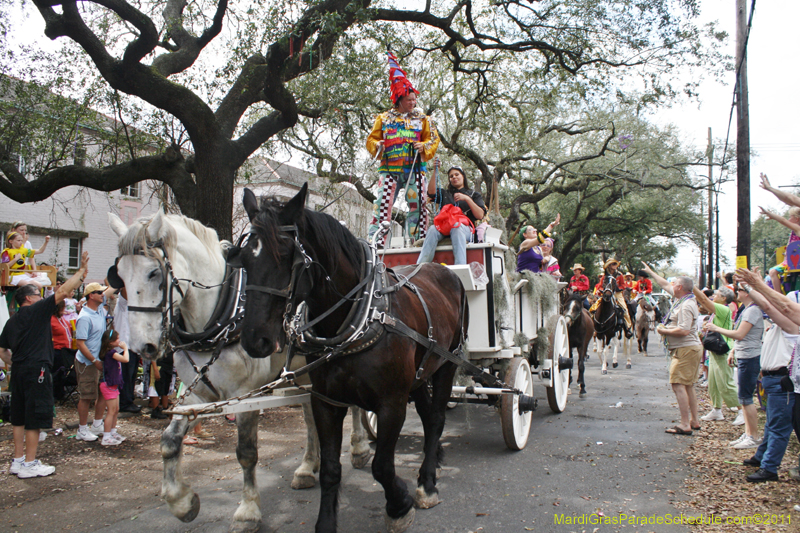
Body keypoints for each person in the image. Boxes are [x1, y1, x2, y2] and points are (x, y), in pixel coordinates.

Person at [0, 251, 88, 478]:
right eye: (38, 294)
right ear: (28, 298)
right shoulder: (36, 311)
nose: (42, 298)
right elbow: (63, 292)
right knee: (34, 418)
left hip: (18, 370)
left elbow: (2, 351)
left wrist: (15, 364)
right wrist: (80, 272)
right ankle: (29, 464)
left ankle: (18, 461)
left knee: (18, 417)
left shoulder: (12, 321)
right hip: (37, 369)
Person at [365, 51, 440, 246]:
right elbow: (371, 140)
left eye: (414, 100)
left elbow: (433, 139)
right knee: (382, 204)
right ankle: (376, 242)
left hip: (414, 170)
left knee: (419, 206)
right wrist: (378, 146)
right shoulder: (383, 118)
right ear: (399, 99)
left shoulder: (423, 119)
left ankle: (418, 241)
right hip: (389, 169)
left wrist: (423, 146)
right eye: (409, 100)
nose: (413, 103)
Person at [729, 282, 796, 482]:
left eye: (786, 306)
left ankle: (769, 468)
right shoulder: (780, 324)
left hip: (781, 381)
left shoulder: (790, 324)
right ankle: (761, 457)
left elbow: (768, 305)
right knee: (771, 424)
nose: (781, 307)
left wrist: (753, 286)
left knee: (778, 426)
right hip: (770, 378)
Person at [641, 263, 702, 435]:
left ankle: (684, 424)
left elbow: (684, 330)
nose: (671, 285)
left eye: (674, 283)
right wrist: (651, 272)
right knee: (688, 385)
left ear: (680, 287)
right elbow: (664, 284)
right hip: (685, 349)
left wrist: (663, 330)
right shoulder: (680, 299)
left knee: (677, 384)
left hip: (686, 349)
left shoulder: (686, 305)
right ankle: (694, 421)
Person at [703, 282, 764, 449]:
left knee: (744, 397)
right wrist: (733, 351)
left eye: (741, 290)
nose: (738, 292)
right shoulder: (746, 310)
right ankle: (748, 433)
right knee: (741, 396)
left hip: (750, 357)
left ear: (749, 293)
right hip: (742, 354)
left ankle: (753, 436)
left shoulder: (751, 310)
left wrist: (716, 328)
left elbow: (739, 334)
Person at [416, 166, 485, 265]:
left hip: (464, 229)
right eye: (451, 176)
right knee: (432, 229)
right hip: (445, 227)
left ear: (463, 176)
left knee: (456, 228)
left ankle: (460, 268)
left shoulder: (474, 194)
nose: (454, 177)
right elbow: (431, 192)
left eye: (457, 174)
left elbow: (480, 215)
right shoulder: (445, 193)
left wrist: (467, 199)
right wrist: (435, 170)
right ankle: (421, 266)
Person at [692, 286, 741, 423]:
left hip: (722, 350)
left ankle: (742, 410)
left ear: (724, 298)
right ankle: (717, 410)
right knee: (713, 383)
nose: (714, 296)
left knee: (725, 383)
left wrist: (692, 287)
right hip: (714, 351)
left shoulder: (724, 308)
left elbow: (703, 300)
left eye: (717, 294)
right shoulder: (716, 311)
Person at [74, 281, 110, 441]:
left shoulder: (100, 311)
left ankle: (96, 424)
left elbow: (111, 289)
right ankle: (81, 429)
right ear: (91, 295)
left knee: (102, 392)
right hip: (87, 362)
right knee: (86, 396)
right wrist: (94, 360)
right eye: (99, 292)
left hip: (100, 360)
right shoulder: (84, 317)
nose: (103, 294)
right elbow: (80, 343)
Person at [97, 327, 129, 445]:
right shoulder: (111, 353)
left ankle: (113, 431)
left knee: (116, 410)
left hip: (114, 385)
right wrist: (125, 349)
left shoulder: (111, 352)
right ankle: (106, 436)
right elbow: (126, 359)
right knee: (111, 411)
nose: (119, 341)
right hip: (108, 385)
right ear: (111, 342)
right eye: (117, 339)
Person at [590, 258, 633, 338]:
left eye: (615, 264)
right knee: (594, 307)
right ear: (609, 266)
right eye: (613, 264)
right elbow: (600, 285)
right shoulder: (605, 276)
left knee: (625, 309)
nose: (615, 265)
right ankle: (594, 326)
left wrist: (619, 288)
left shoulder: (619, 275)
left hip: (617, 294)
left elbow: (623, 285)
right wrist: (603, 290)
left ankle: (628, 328)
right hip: (607, 293)